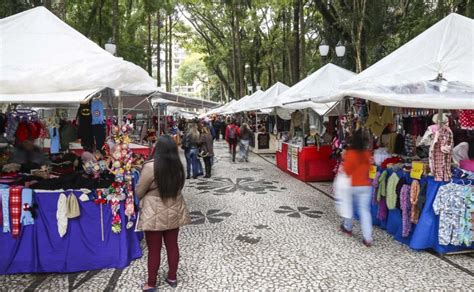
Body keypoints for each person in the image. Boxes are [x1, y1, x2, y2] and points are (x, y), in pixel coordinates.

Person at [135, 136, 191, 291]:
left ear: (157, 149)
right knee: (173, 245)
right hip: (174, 208)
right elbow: (180, 187)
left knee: (154, 249)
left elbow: (139, 191)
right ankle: (172, 277)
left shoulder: (150, 167)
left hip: (153, 211)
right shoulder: (178, 166)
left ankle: (151, 283)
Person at [340, 128, 374, 247]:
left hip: (352, 185)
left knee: (349, 207)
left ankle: (348, 228)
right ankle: (367, 238)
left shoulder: (350, 153)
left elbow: (347, 170)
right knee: (365, 211)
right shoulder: (367, 154)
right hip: (366, 186)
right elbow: (370, 169)